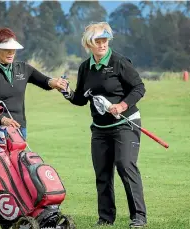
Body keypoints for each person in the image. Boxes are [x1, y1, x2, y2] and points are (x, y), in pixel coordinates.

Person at [62, 22, 147, 228]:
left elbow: (139, 87)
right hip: (100, 129)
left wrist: (123, 104)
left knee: (125, 166)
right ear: (88, 44)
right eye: (97, 41)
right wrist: (67, 92)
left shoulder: (119, 62)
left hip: (126, 124)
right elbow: (82, 99)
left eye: (105, 40)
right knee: (102, 172)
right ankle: (106, 218)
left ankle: (139, 217)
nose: (102, 44)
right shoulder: (85, 67)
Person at [0, 27, 68, 216]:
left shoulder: (23, 68)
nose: (11, 53)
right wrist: (1, 119)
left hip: (19, 133)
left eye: (13, 49)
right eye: (6, 49)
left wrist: (55, 83)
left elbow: (44, 81)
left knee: (17, 172)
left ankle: (17, 211)